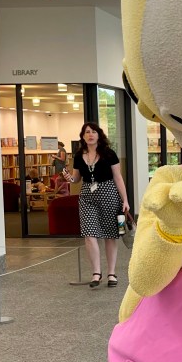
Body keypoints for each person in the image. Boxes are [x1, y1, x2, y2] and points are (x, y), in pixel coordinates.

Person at [63, 122, 129, 288]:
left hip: (109, 194)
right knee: (89, 233)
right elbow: (76, 178)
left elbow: (118, 177)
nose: (90, 134)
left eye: (93, 131)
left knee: (110, 235)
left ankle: (111, 273)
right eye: (87, 132)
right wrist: (69, 178)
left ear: (99, 135)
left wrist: (125, 199)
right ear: (83, 136)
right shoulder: (79, 156)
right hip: (87, 196)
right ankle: (96, 272)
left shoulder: (109, 154)